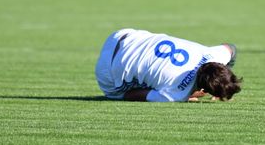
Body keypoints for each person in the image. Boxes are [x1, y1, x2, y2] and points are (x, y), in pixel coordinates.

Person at [95, 28, 242, 102]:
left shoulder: (215, 54)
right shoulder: (177, 94)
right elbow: (131, 95)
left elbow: (231, 48)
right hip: (107, 70)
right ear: (205, 90)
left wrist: (223, 75)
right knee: (118, 95)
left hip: (124, 35)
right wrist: (189, 94)